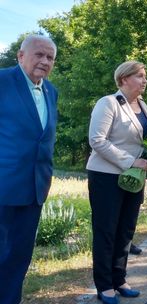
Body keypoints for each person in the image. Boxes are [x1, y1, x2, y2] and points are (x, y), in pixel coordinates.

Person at [86, 61, 147, 303]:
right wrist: (130, 162)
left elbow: (145, 140)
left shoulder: (143, 106)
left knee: (125, 230)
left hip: (133, 179)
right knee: (106, 231)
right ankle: (104, 285)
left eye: (145, 77)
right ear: (123, 79)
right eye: (140, 76)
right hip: (106, 176)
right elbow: (97, 140)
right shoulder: (108, 103)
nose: (145, 81)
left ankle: (119, 278)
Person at [0, 34, 58, 304]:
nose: (45, 61)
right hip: (3, 186)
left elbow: (44, 138)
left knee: (19, 258)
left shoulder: (51, 91)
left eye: (50, 57)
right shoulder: (2, 81)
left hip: (35, 189)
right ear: (21, 56)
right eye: (39, 54)